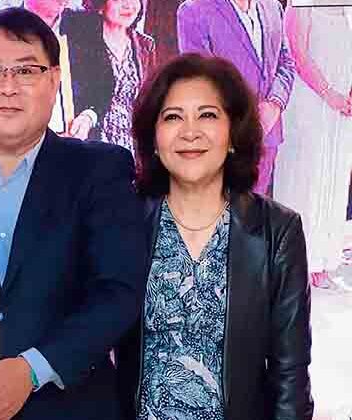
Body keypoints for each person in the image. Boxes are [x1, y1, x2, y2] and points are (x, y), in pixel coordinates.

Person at [0, 8, 147, 420]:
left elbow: (118, 292)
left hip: (70, 409)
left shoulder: (101, 169)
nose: (9, 87)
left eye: (27, 70)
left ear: (54, 80)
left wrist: (33, 368)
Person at [129, 53, 313, 419]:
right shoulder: (124, 222)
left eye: (208, 115)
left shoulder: (277, 230)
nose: (190, 131)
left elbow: (290, 375)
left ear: (233, 135)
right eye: (173, 117)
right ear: (154, 139)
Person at [177, 0, 296, 196]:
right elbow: (199, 76)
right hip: (223, 138)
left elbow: (286, 63)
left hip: (267, 136)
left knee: (252, 210)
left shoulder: (273, 6)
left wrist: (275, 103)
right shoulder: (194, 10)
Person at [275, 5, 352, 289]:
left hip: (342, 106)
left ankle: (323, 260)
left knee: (333, 176)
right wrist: (330, 94)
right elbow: (297, 54)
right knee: (304, 178)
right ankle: (296, 263)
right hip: (309, 101)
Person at [62, 0, 155, 153]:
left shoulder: (145, 45)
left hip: (132, 147)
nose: (129, 5)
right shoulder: (79, 38)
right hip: (90, 141)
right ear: (101, 4)